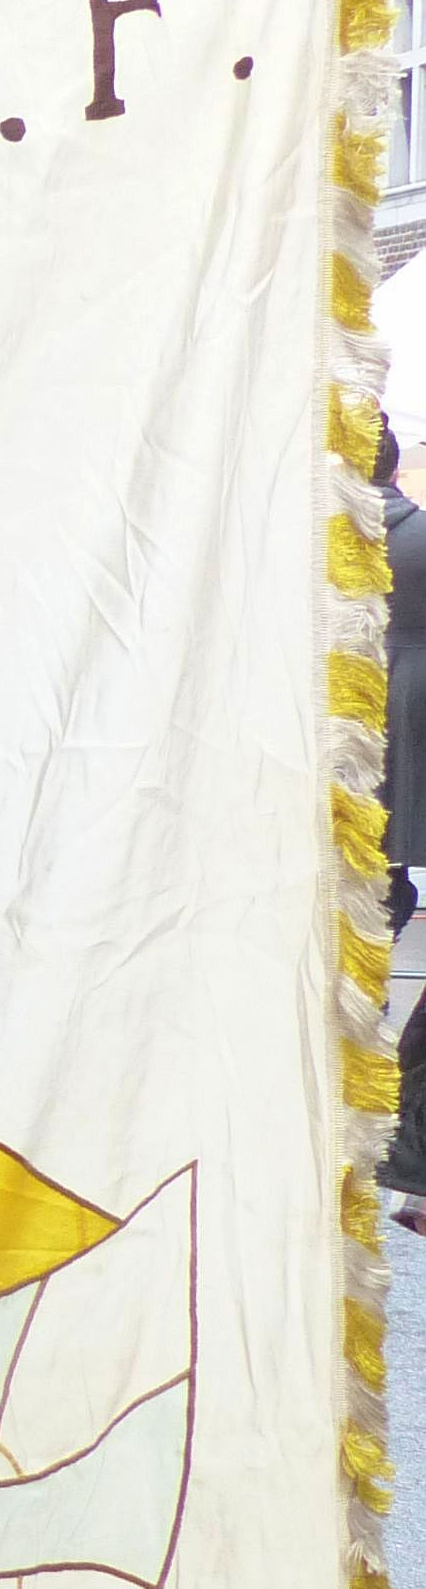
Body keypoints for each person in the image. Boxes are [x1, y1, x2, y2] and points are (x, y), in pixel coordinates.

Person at [377, 424, 426, 1230]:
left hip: (355, 724)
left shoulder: (313, 539)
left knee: (376, 887)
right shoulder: (415, 534)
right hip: (414, 718)